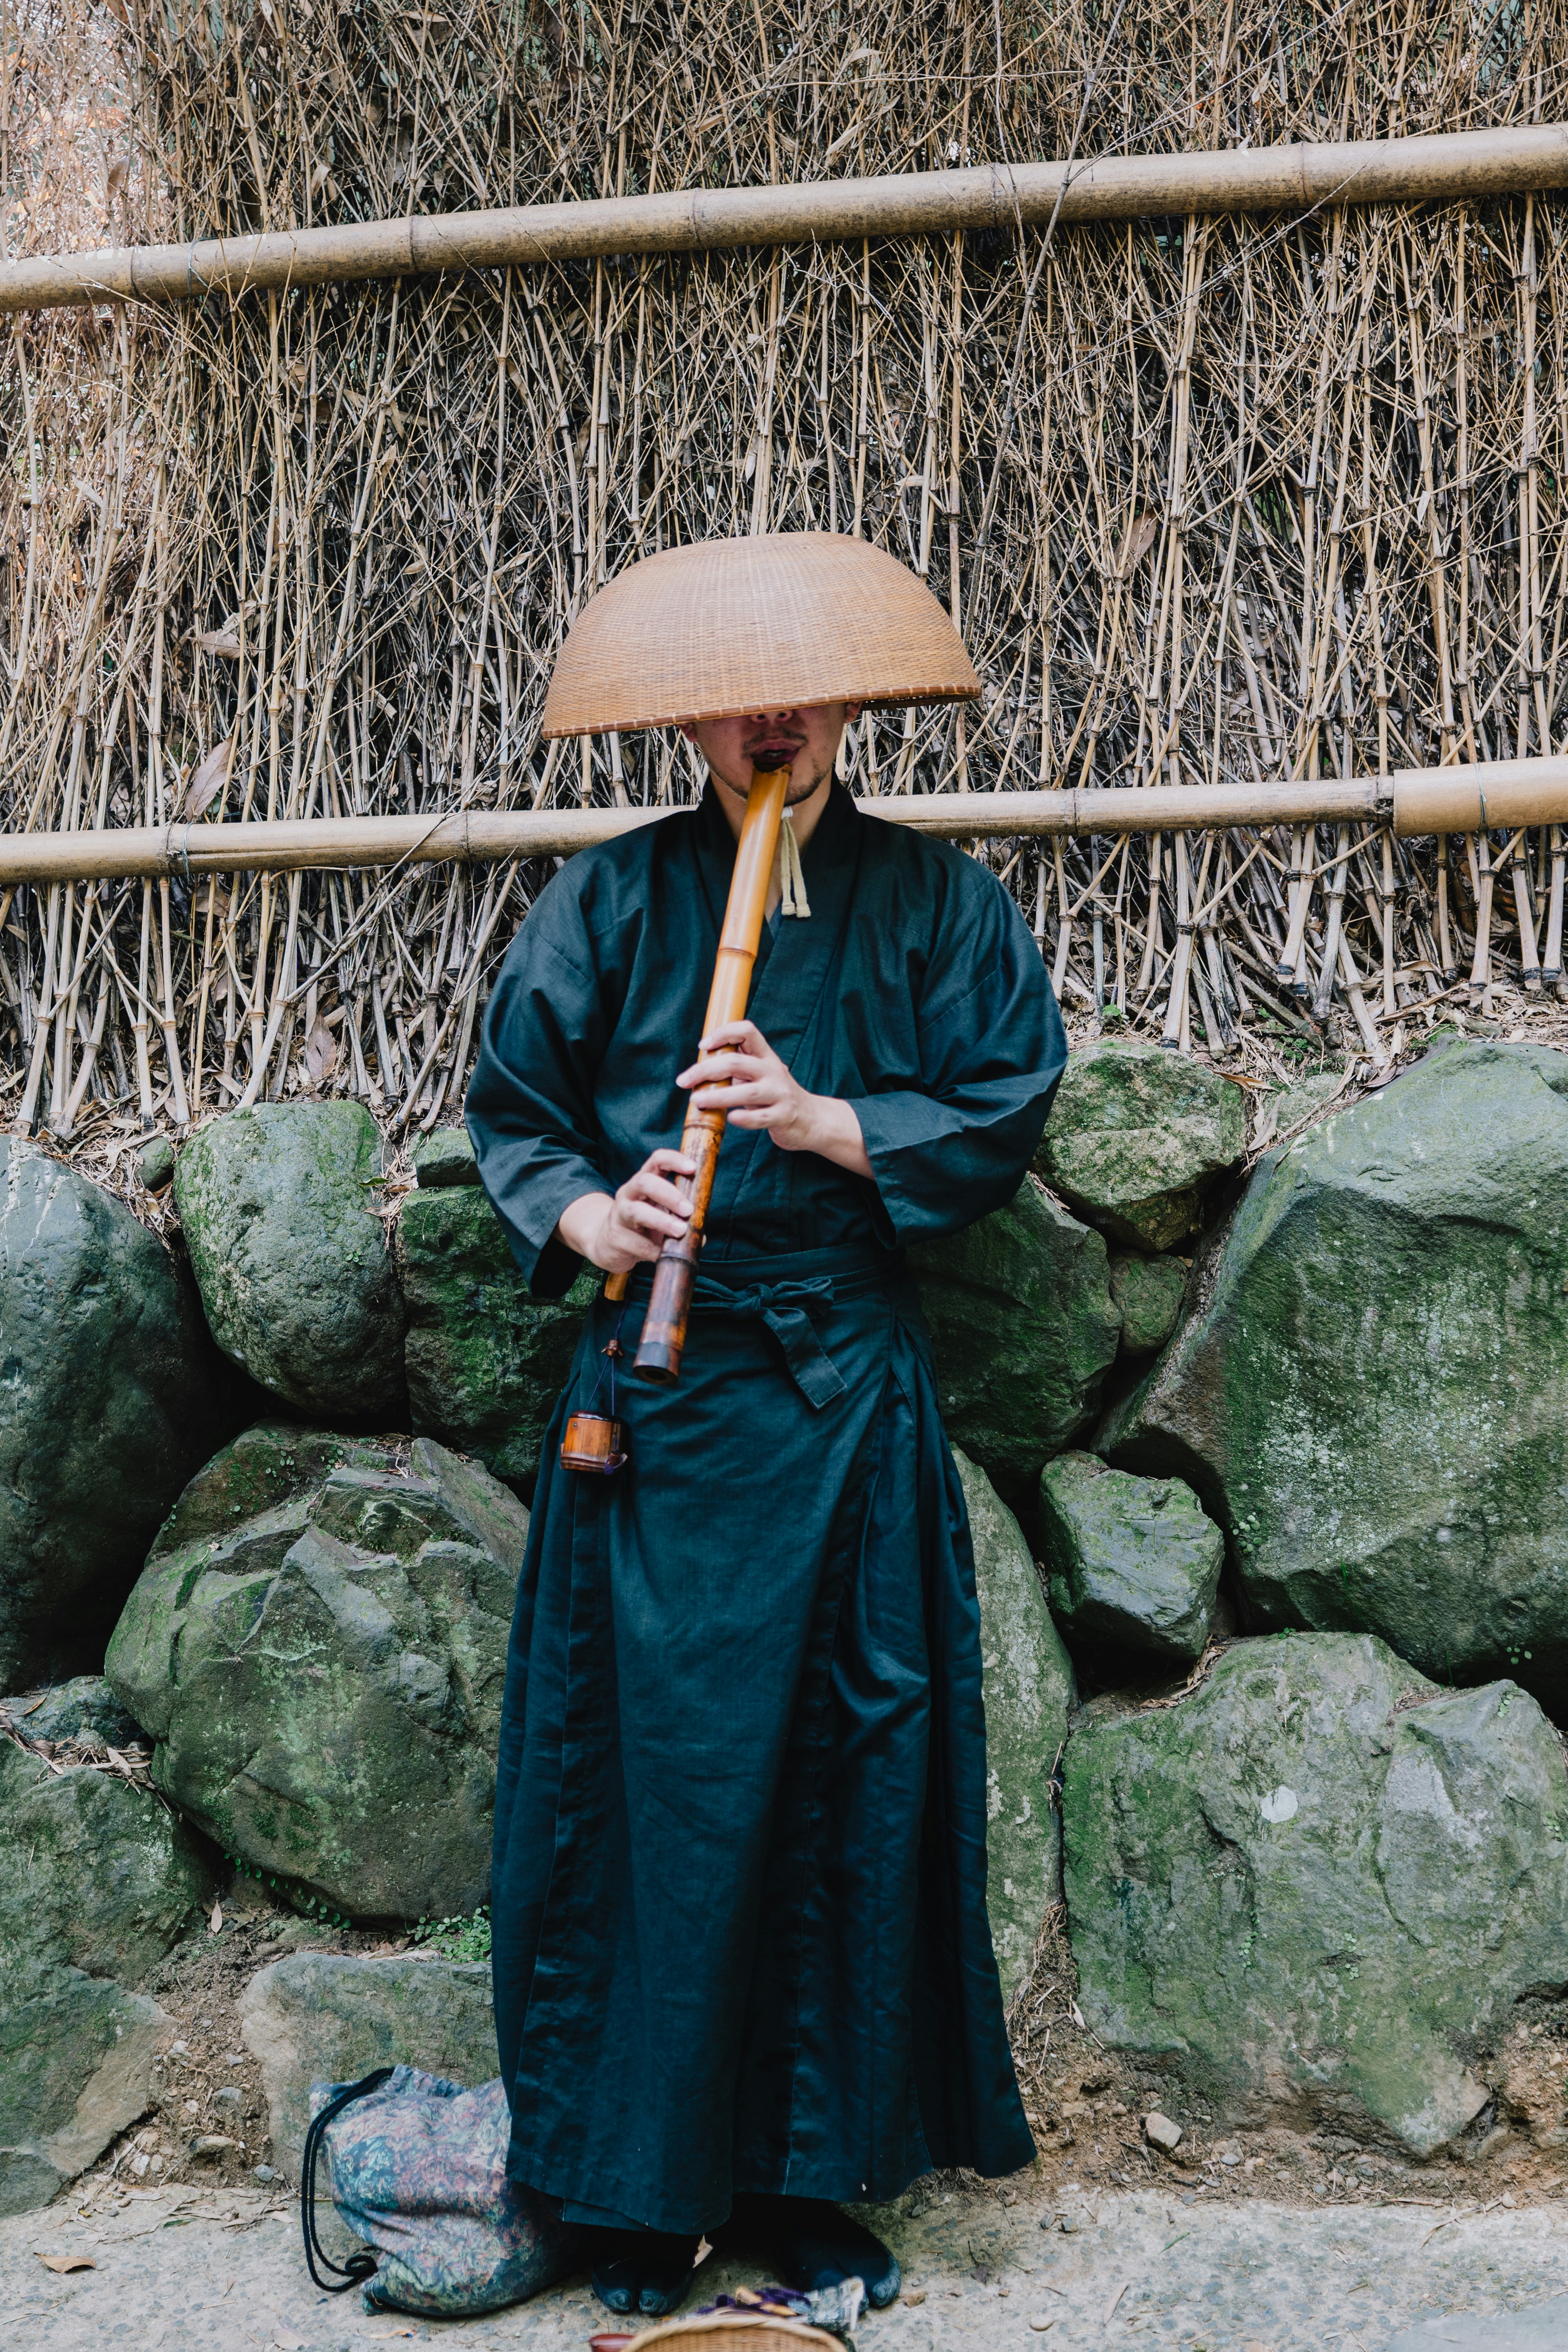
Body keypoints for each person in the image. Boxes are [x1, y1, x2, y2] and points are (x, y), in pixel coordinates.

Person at [467, 690, 1066, 2320]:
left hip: (841, 1390)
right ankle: (636, 2193)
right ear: (695, 726)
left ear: (850, 702)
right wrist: (597, 1219)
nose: (775, 724)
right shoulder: (610, 898)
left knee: (843, 1776)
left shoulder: (938, 902)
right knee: (647, 1787)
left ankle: (811, 2185)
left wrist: (818, 1121)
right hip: (655, 1404)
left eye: (802, 698)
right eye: (741, 707)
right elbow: (514, 1110)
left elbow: (1009, 1096)